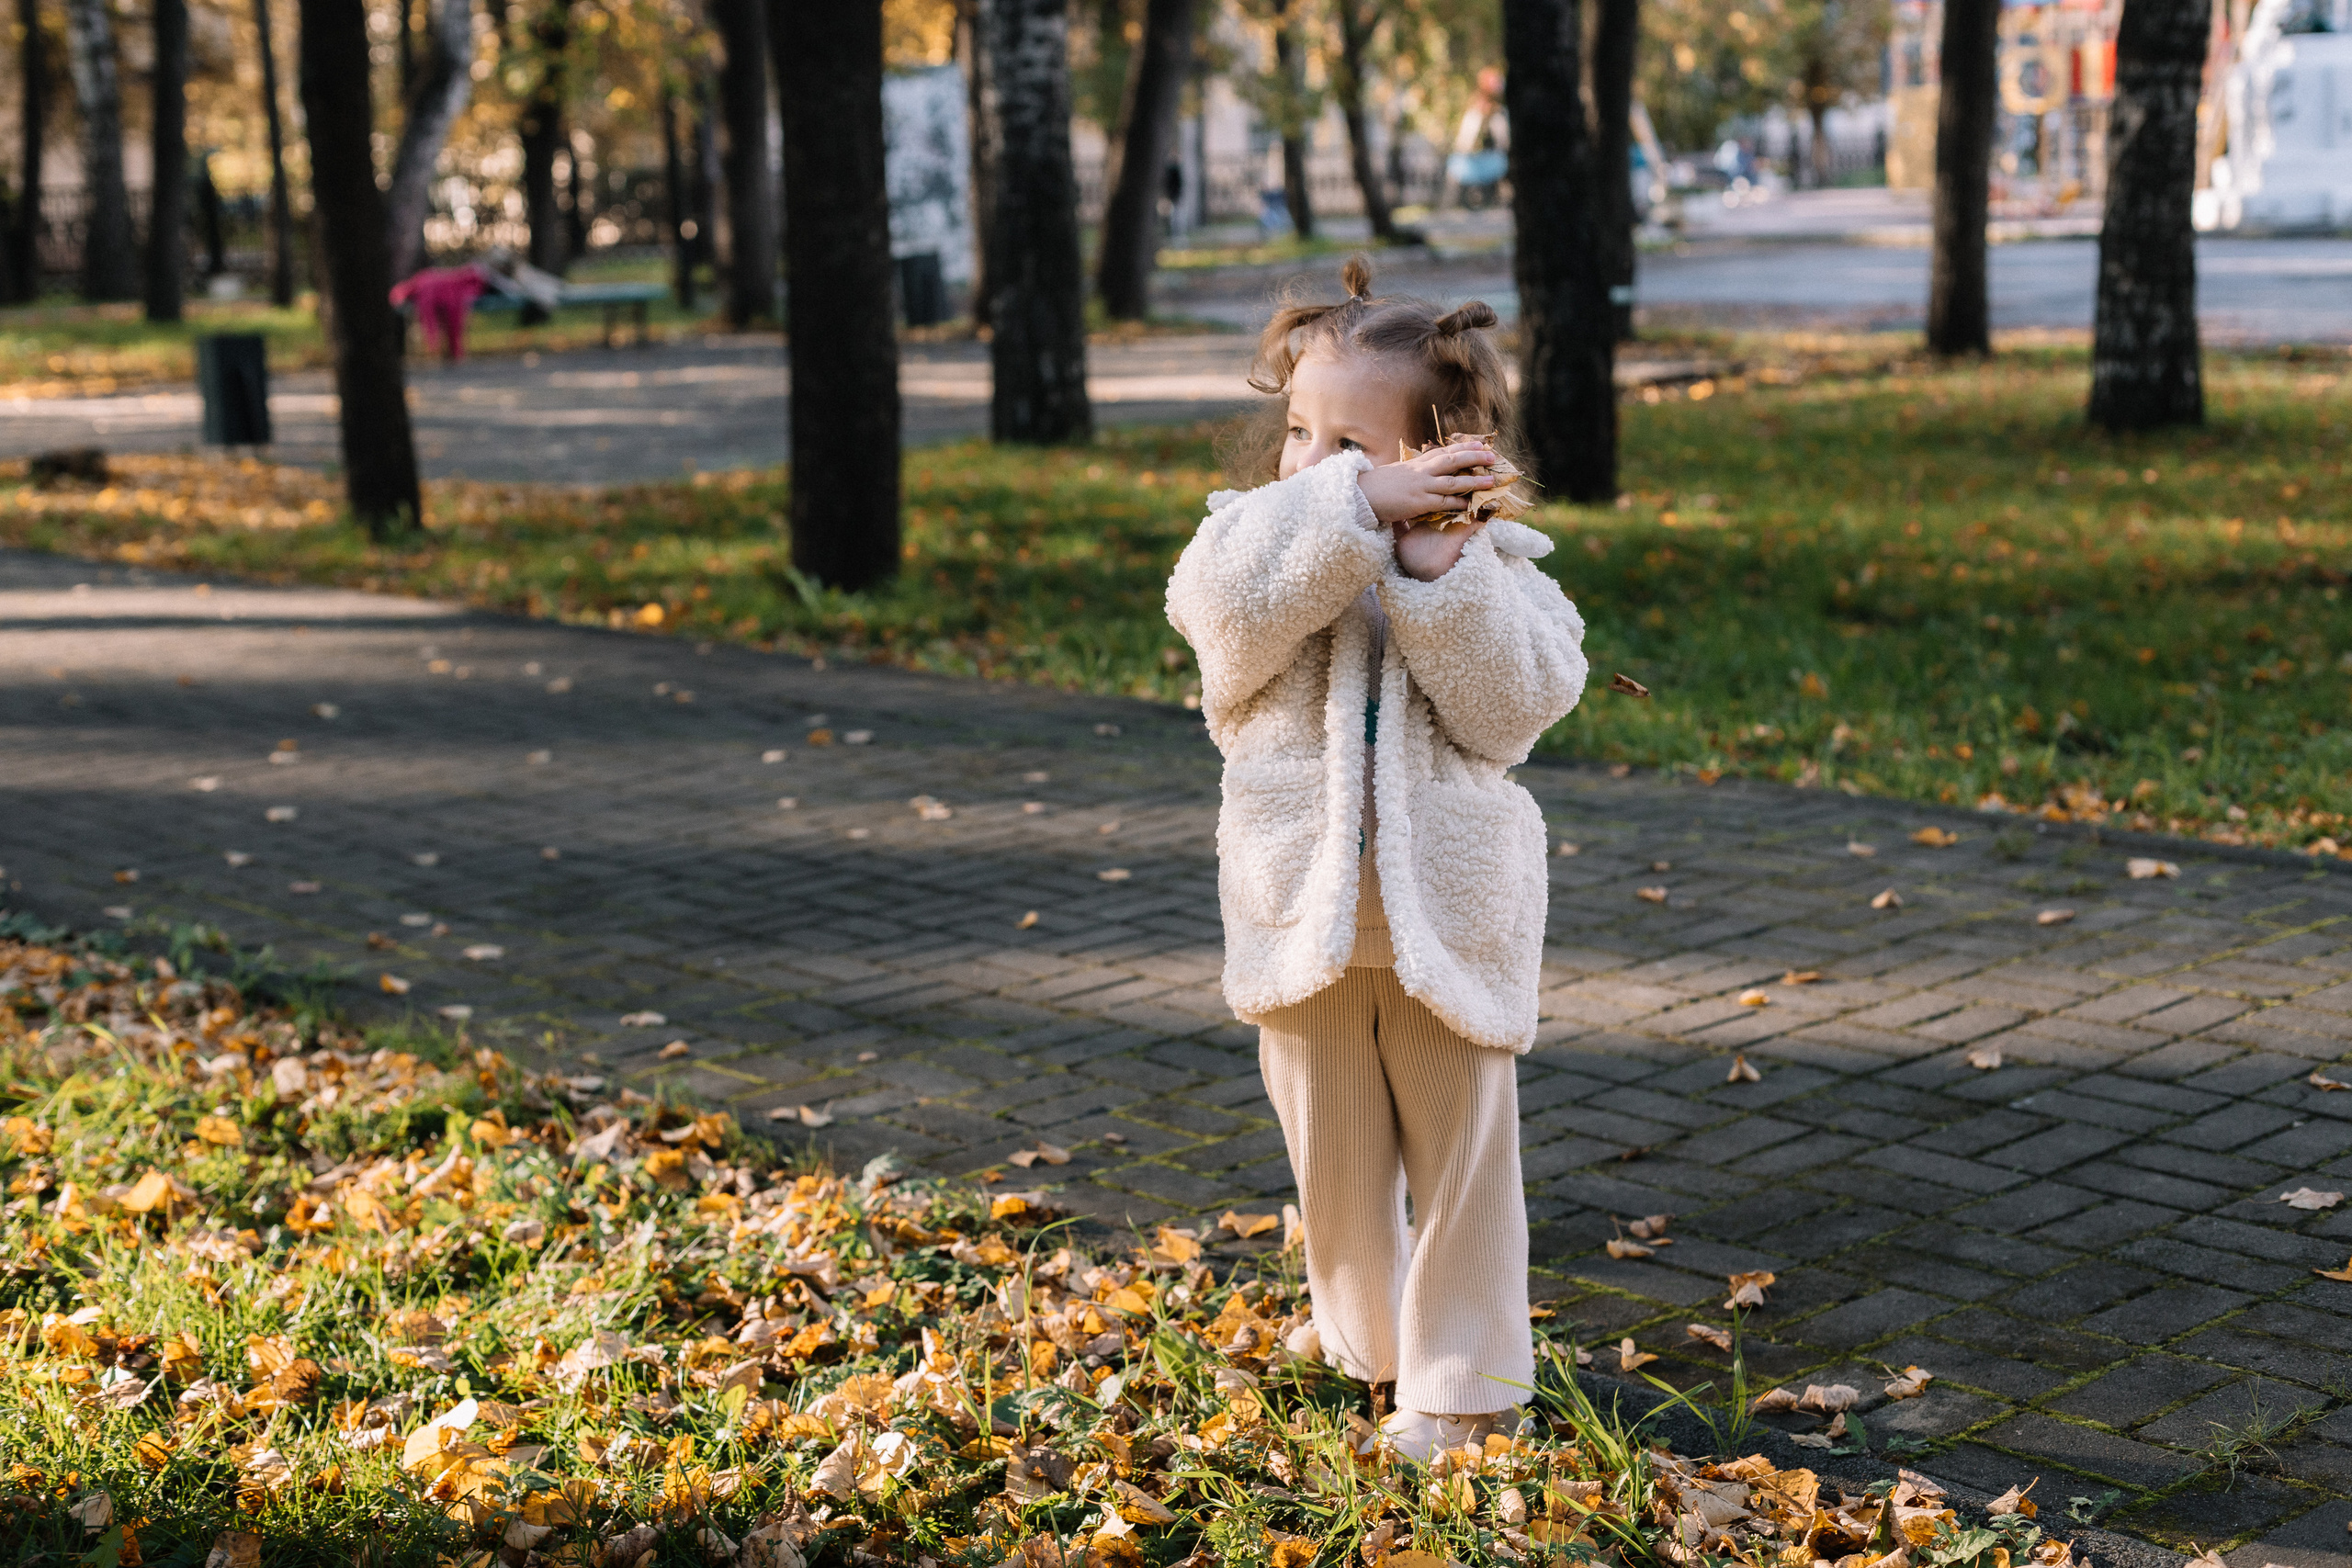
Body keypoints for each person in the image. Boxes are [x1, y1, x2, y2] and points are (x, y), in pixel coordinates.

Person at [1165, 256, 1588, 1463]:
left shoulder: (1499, 576)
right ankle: (1365, 1339)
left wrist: (1434, 570)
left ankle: (1463, 1386)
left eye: (1355, 444)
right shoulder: (1251, 549)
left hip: (1444, 924)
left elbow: (1514, 710)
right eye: (1301, 431)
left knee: (1461, 1165)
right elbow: (1217, 621)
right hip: (1298, 908)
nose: (1314, 464)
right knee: (1334, 1166)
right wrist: (1349, 511)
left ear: (1442, 456)